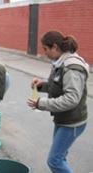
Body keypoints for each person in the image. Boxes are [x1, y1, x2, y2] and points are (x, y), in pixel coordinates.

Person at [27, 31, 89, 173]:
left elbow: (71, 99)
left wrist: (41, 103)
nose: (45, 53)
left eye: (45, 49)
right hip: (63, 119)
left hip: (72, 122)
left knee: (54, 161)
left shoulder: (72, 67)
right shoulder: (59, 63)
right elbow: (57, 85)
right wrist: (41, 85)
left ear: (55, 47)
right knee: (60, 158)